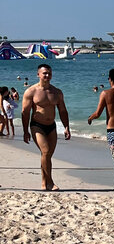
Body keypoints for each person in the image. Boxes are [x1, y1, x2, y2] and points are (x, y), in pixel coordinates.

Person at [21, 63, 71, 191]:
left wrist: (66, 127)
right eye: (45, 73)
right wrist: (25, 131)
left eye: (49, 73)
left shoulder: (57, 92)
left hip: (52, 126)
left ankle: (44, 183)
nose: (47, 75)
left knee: (47, 156)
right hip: (37, 126)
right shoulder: (31, 91)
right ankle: (50, 182)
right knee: (46, 152)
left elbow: (63, 111)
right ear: (38, 74)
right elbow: (25, 112)